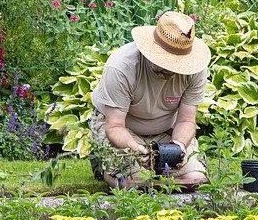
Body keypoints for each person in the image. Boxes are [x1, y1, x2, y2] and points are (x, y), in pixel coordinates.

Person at [90, 10, 210, 189]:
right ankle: (103, 165)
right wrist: (133, 147)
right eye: (165, 62)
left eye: (176, 64)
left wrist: (179, 146)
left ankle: (155, 167)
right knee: (134, 184)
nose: (170, 70)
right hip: (123, 130)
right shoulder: (122, 67)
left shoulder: (195, 70)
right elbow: (114, 126)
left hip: (166, 130)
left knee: (195, 180)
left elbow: (186, 120)